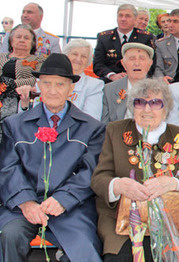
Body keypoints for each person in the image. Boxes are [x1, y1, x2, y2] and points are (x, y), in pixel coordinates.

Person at [0, 53, 105, 261]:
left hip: (70, 207)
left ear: (71, 89)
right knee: (9, 236)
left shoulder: (92, 128)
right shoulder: (15, 124)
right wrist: (26, 202)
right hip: (23, 206)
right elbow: (8, 167)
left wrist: (63, 199)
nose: (53, 90)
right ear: (38, 86)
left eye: (60, 84)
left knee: (83, 246)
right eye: (46, 83)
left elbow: (90, 171)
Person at [91, 78, 179, 260]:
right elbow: (99, 177)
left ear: (165, 109)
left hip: (170, 217)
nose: (147, 109)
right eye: (140, 102)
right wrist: (119, 185)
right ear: (132, 107)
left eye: (156, 103)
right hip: (123, 221)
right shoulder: (115, 131)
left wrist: (172, 182)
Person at [0, 24, 44, 139]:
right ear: (11, 40)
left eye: (26, 38)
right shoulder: (1, 57)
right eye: (18, 37)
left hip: (23, 101)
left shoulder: (39, 60)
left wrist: (14, 84)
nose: (22, 40)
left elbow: (39, 79)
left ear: (32, 43)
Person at [93, 4, 155, 83]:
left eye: (127, 16)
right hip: (110, 80)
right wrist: (112, 75)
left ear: (135, 19)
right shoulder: (104, 38)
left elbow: (151, 64)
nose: (123, 19)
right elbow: (98, 64)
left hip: (137, 81)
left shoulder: (145, 37)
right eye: (120, 15)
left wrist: (133, 75)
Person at [101, 42, 154, 123]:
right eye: (132, 59)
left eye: (142, 59)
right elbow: (104, 125)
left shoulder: (160, 90)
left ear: (150, 64)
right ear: (123, 64)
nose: (137, 63)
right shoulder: (108, 90)